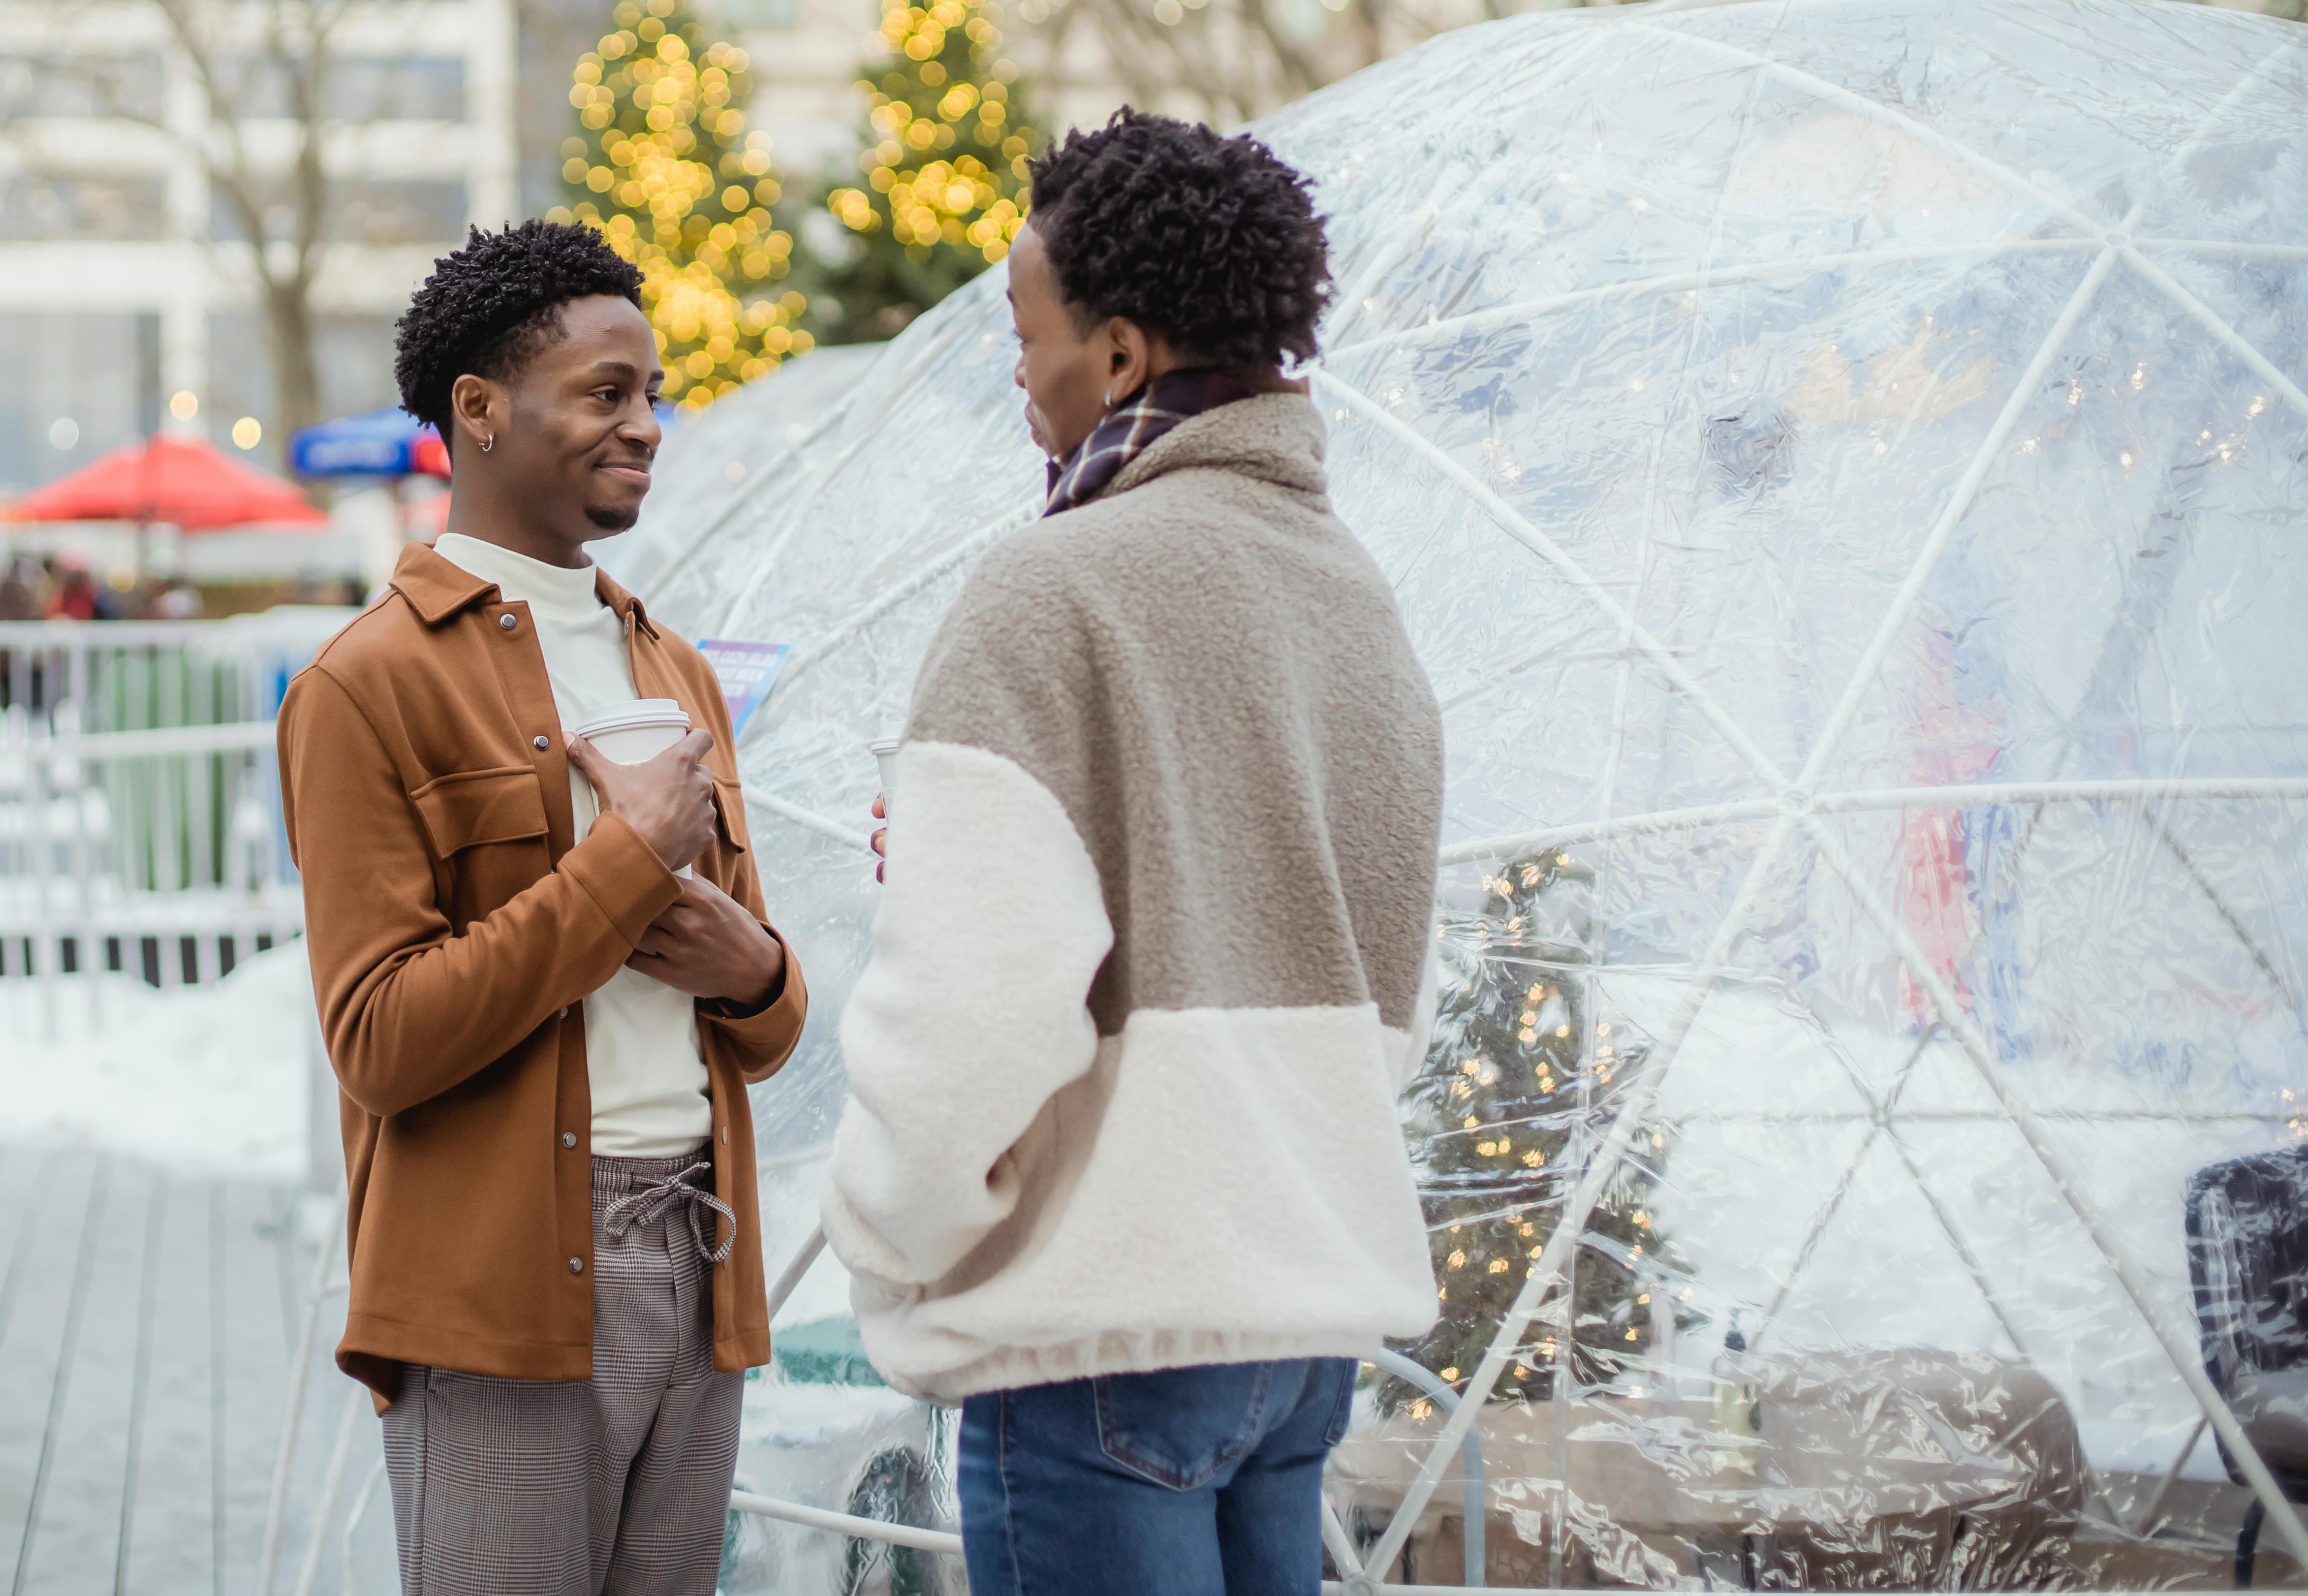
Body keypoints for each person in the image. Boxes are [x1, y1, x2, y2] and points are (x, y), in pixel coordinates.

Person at [823, 111, 1444, 1595]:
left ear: (1116, 355)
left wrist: (889, 1234)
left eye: (1025, 334)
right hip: (1296, 1331)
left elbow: (974, 1008)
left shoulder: (1051, 593)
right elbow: (1386, 990)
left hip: (1104, 1329)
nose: (1017, 375)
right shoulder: (1353, 598)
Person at [276, 220, 807, 1596]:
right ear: (479, 408)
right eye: (604, 392)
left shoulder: (675, 664)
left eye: (650, 393)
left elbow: (763, 1019)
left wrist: (756, 972)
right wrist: (619, 868)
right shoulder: (365, 684)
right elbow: (380, 1039)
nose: (646, 425)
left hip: (701, 1266)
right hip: (496, 1288)